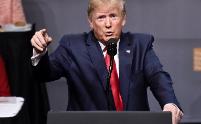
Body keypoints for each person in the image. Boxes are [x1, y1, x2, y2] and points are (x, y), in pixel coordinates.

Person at [31, 0, 183, 123]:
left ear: (123, 19)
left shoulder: (140, 45)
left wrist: (170, 103)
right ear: (90, 22)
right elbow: (45, 74)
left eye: (113, 16)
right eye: (101, 17)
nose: (108, 24)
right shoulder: (72, 46)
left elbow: (158, 77)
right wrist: (40, 53)